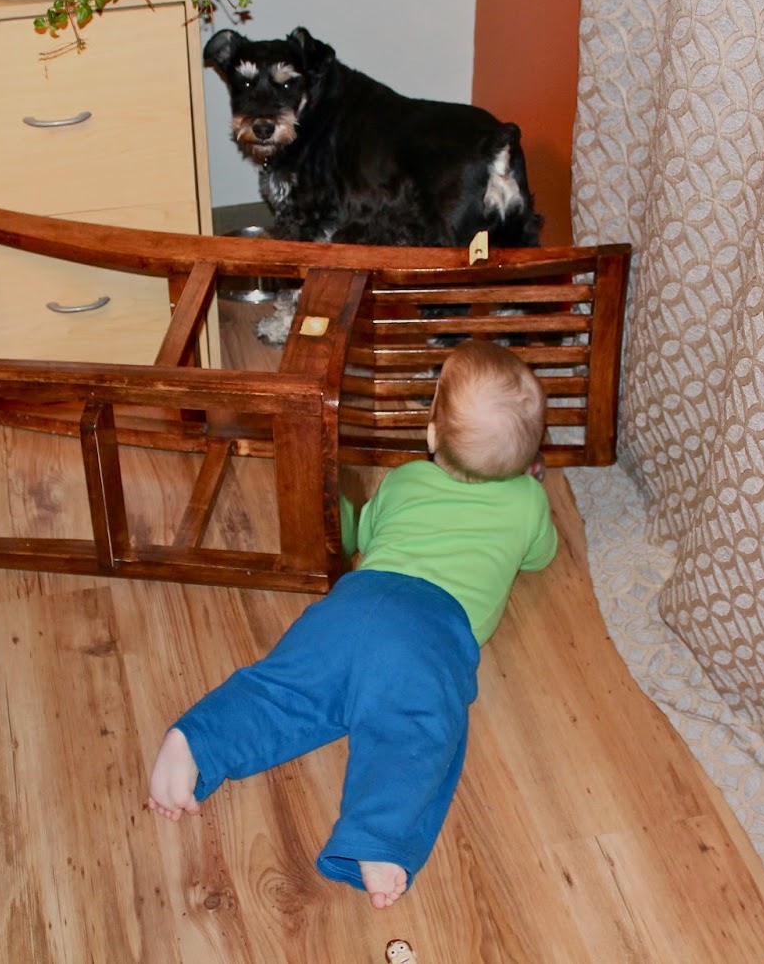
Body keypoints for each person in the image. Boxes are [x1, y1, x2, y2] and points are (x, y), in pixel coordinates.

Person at [146, 340, 558, 908]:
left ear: (432, 436)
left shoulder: (404, 479)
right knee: (414, 731)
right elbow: (539, 556)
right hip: (430, 629)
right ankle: (375, 837)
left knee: (284, 687)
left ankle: (197, 741)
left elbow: (365, 537)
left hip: (353, 603)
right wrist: (529, 492)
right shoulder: (528, 503)